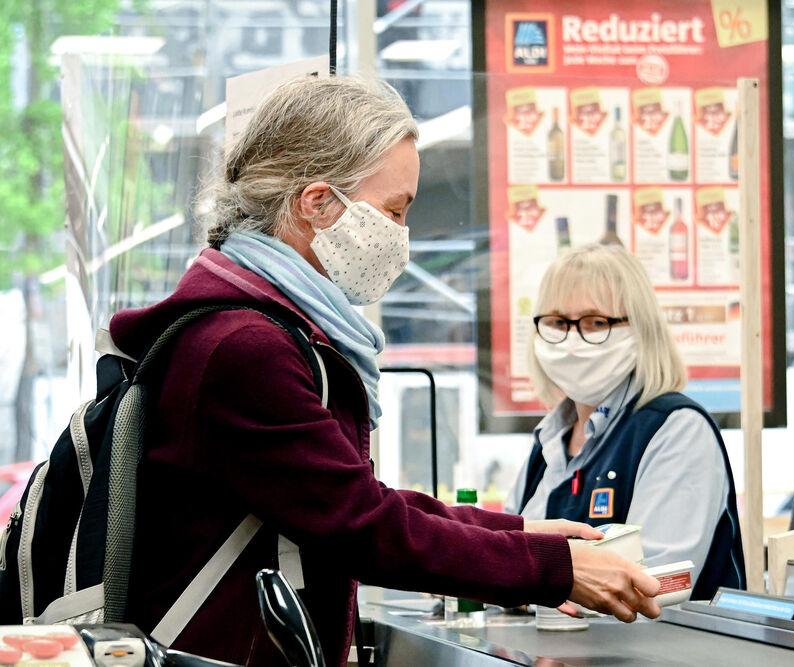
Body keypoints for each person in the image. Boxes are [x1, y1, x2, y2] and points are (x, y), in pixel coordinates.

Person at [110, 77, 660, 666]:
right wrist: (551, 570)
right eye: (395, 210)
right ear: (316, 203)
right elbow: (362, 524)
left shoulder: (254, 326)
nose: (402, 237)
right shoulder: (244, 346)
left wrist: (520, 533)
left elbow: (350, 497)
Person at [504, 243, 746, 600]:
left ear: (640, 329)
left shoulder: (676, 430)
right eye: (557, 322)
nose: (572, 340)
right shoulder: (550, 441)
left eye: (595, 322)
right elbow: (507, 553)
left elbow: (650, 586)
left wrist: (526, 587)